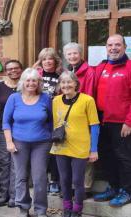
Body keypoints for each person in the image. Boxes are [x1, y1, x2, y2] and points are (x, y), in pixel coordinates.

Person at [3, 68, 52, 217]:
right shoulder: (14, 98)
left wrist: (49, 137)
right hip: (19, 143)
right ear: (23, 82)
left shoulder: (45, 98)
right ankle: (23, 208)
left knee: (39, 178)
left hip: (41, 143)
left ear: (39, 83)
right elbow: (6, 122)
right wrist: (9, 142)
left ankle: (40, 210)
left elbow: (51, 121)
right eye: (28, 80)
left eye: (34, 81)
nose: (31, 83)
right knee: (21, 177)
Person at [50, 71, 99, 217]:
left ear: (76, 84)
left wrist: (94, 149)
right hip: (61, 146)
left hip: (81, 146)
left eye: (69, 82)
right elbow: (55, 123)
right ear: (60, 85)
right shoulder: (56, 101)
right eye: (63, 82)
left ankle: (77, 209)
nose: (66, 85)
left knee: (78, 180)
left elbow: (95, 125)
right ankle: (67, 208)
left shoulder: (87, 100)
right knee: (64, 179)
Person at [93, 34, 131, 207]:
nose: (113, 48)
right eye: (110, 45)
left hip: (121, 122)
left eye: (117, 45)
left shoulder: (129, 67)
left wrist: (129, 121)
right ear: (106, 48)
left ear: (124, 47)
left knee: (123, 157)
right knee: (107, 156)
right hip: (101, 120)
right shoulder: (103, 67)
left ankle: (126, 190)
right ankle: (113, 186)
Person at [63, 42, 96, 196]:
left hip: (84, 114)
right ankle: (73, 186)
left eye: (75, 53)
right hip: (71, 117)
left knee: (85, 150)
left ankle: (86, 186)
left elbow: (89, 95)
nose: (72, 56)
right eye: (69, 54)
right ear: (65, 56)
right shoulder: (67, 71)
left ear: (81, 54)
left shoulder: (88, 71)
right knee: (71, 151)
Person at [0, 59, 22, 208]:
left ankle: (14, 197)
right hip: (0, 129)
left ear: (21, 70)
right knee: (4, 163)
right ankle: (2, 195)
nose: (13, 71)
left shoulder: (25, 86)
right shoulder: (0, 87)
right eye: (10, 69)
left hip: (19, 130)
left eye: (16, 68)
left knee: (16, 164)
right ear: (5, 71)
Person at [34, 47, 63, 194]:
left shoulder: (61, 76)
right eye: (44, 59)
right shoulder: (35, 75)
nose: (47, 62)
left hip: (55, 119)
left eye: (49, 58)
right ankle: (41, 180)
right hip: (38, 119)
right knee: (40, 151)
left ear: (55, 61)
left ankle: (54, 181)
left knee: (55, 151)